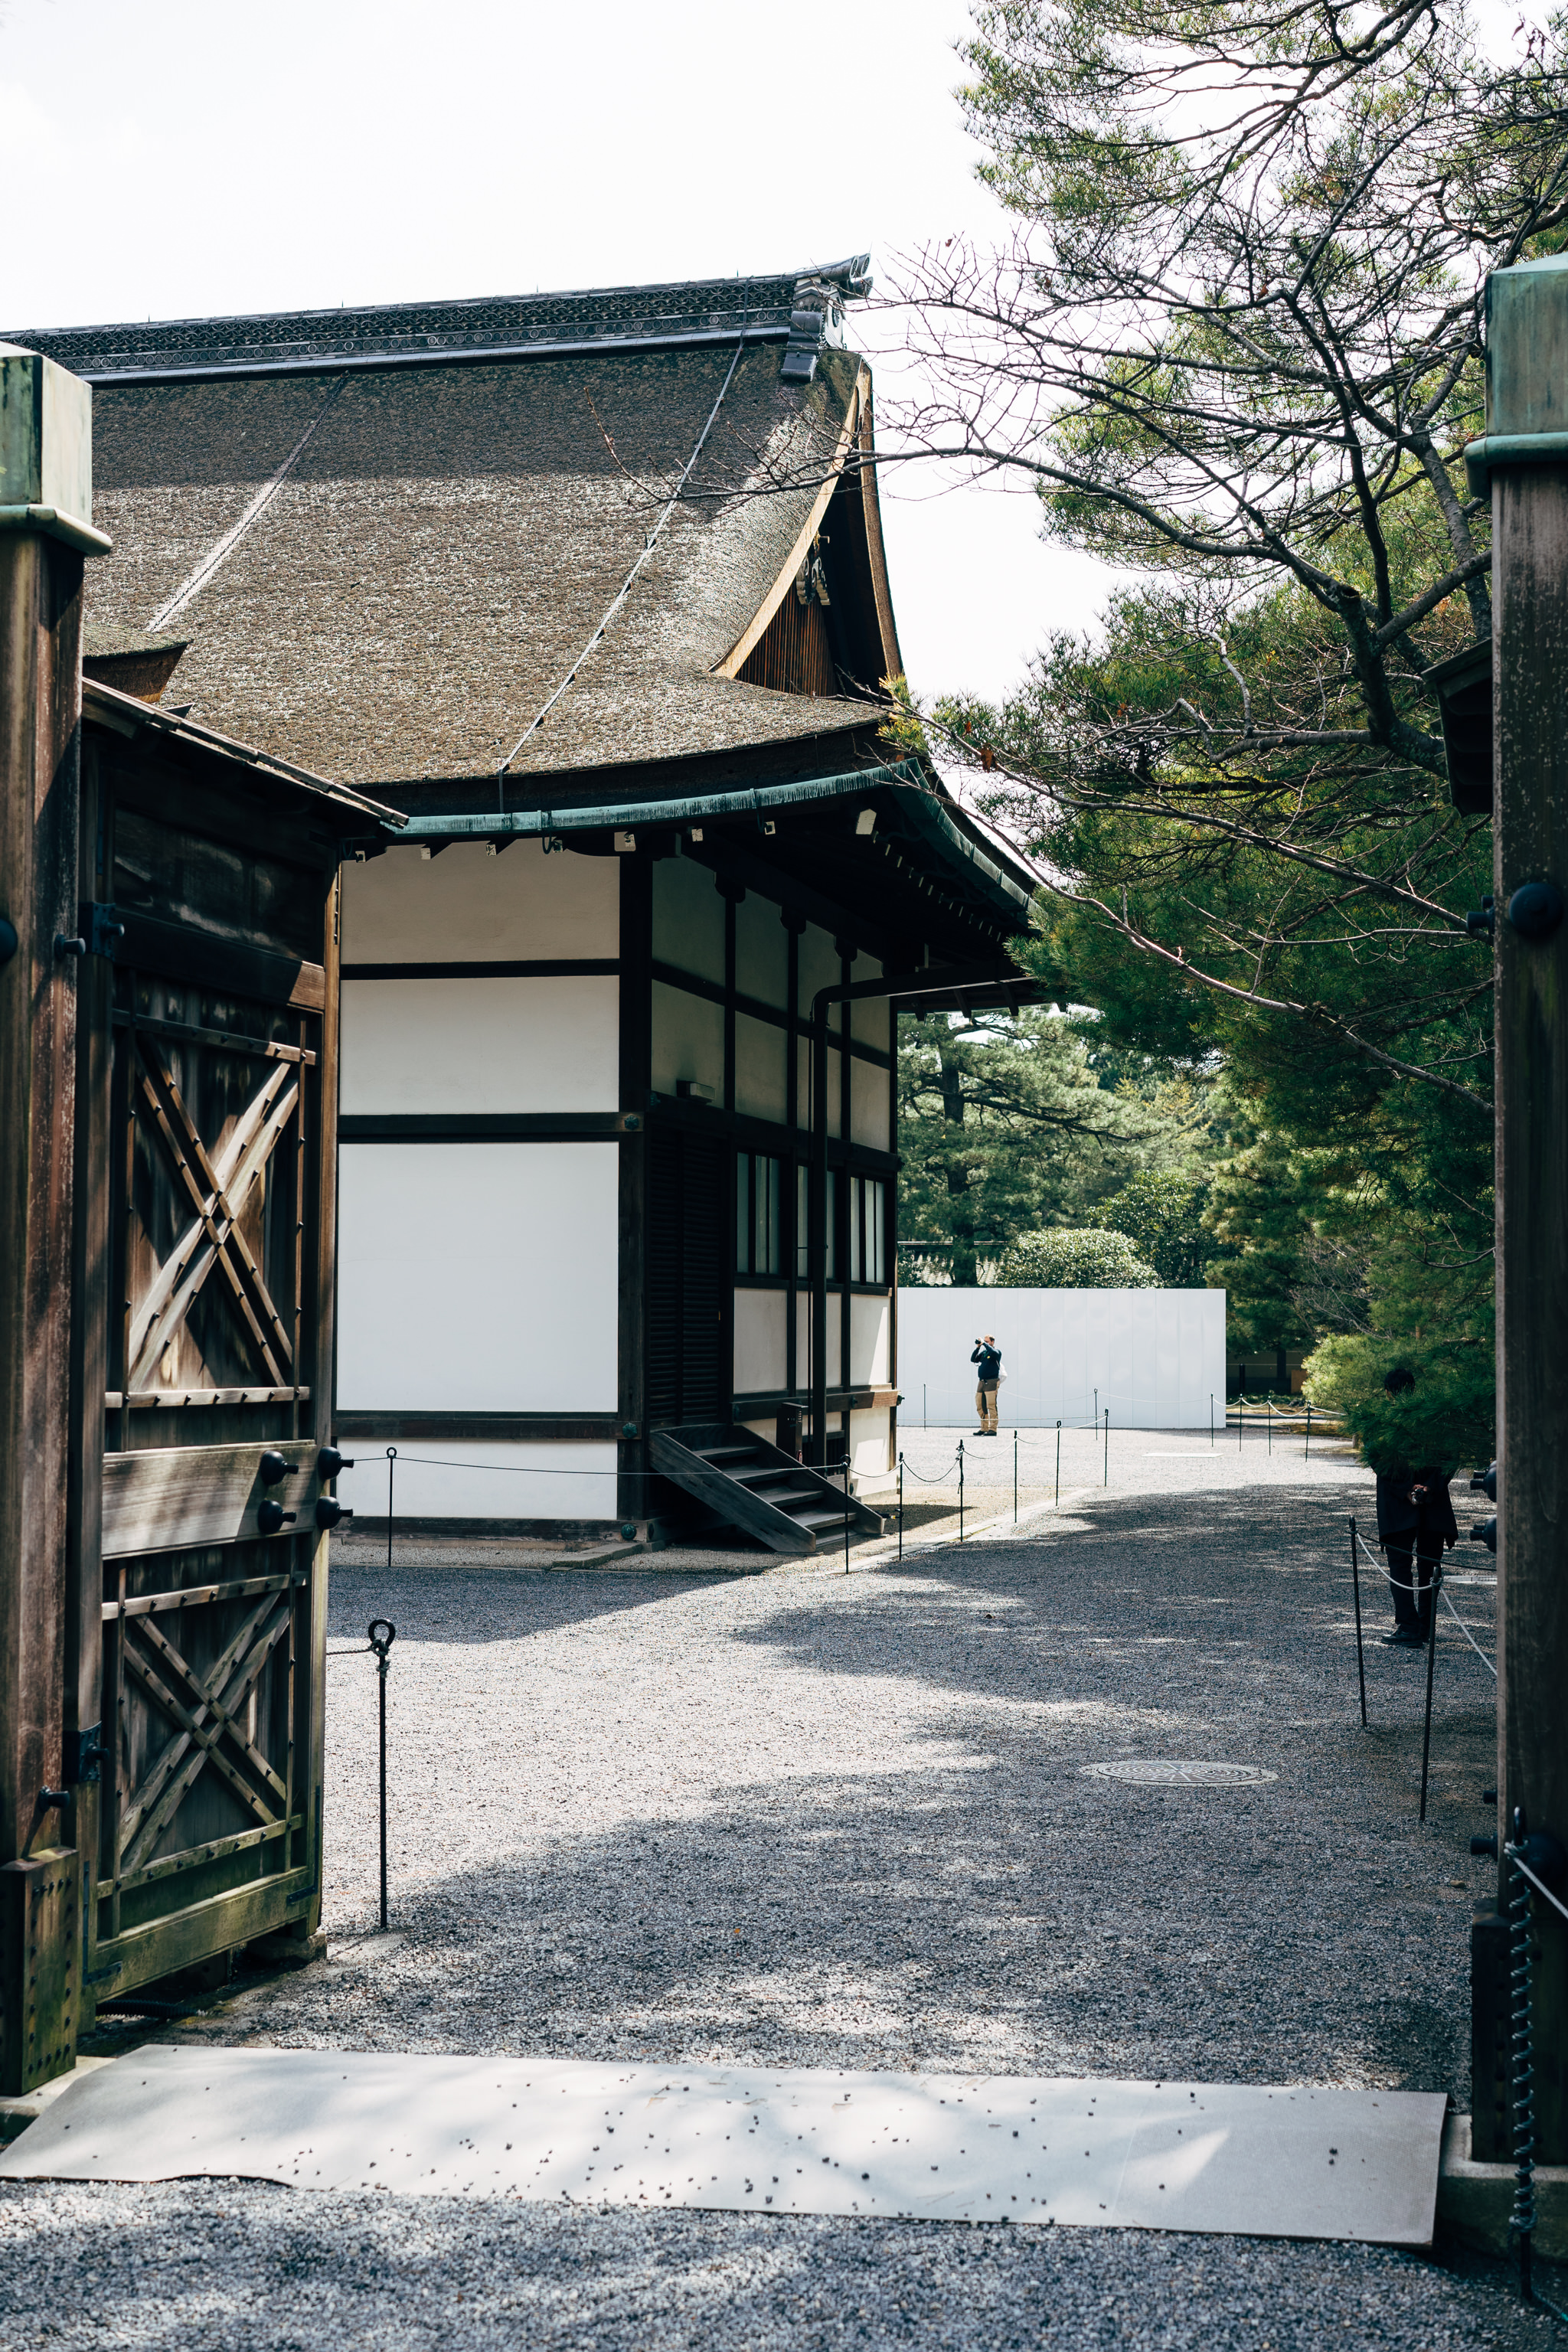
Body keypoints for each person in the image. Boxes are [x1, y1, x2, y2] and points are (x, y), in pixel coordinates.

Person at [1374, 1367, 1458, 1646]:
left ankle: (1409, 1627)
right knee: (1429, 1567)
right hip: (1432, 1504)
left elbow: (1381, 1464)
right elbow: (1449, 1457)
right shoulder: (1433, 1419)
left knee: (1400, 1566)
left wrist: (1408, 1490)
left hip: (1399, 1505)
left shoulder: (1381, 1422)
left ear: (1387, 1392)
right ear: (1413, 1388)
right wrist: (1429, 1487)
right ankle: (1423, 1626)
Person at [971, 1335, 1002, 1436]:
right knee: (980, 1405)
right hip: (982, 1382)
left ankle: (993, 1429)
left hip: (992, 1382)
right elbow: (973, 1359)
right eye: (985, 1341)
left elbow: (993, 1353)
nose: (985, 1343)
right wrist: (978, 1347)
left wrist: (985, 1344)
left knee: (991, 1406)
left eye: (987, 1341)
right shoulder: (984, 1353)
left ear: (992, 1342)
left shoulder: (996, 1352)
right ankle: (984, 1428)